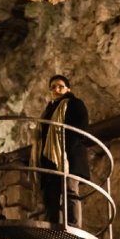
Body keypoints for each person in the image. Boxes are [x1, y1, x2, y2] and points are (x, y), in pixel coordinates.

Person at [31, 74, 90, 226]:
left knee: (70, 191)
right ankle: (54, 228)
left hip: (69, 156)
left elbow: (81, 127)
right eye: (53, 87)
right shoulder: (47, 111)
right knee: (51, 196)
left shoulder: (75, 104)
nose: (56, 89)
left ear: (68, 89)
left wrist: (66, 147)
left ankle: (74, 228)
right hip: (50, 160)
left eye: (60, 86)